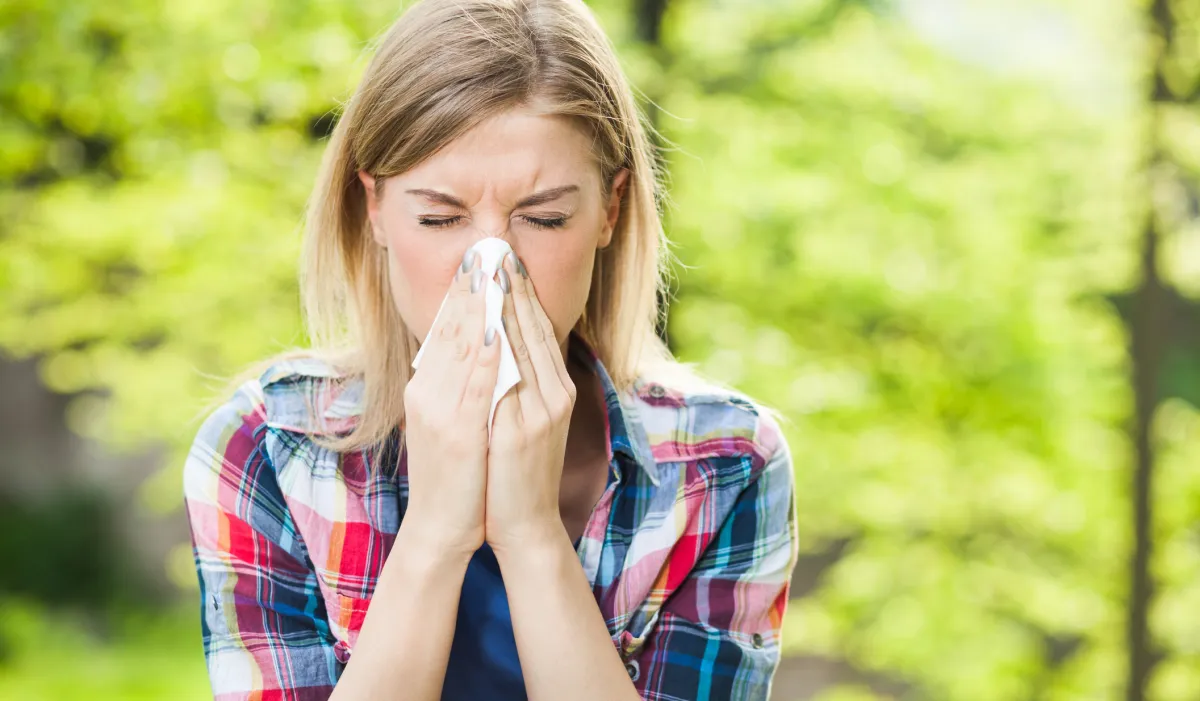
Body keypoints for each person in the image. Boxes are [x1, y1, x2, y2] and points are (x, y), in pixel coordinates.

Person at [181, 0, 798, 699]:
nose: (493, 269)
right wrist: (435, 533)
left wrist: (532, 535)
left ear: (610, 208)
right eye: (439, 217)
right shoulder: (267, 448)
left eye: (545, 217)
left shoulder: (725, 463)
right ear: (375, 208)